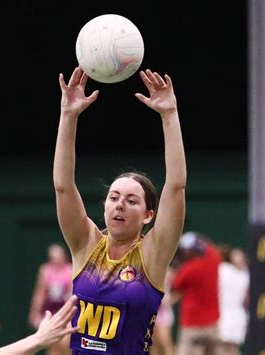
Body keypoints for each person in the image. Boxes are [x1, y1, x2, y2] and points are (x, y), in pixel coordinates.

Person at [53, 66, 186, 354]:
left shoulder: (152, 255)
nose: (120, 204)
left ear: (148, 215)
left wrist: (169, 115)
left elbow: (175, 189)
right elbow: (63, 187)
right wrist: (68, 115)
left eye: (131, 200)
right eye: (113, 197)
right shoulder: (85, 245)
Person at [170, 231, 221, 355]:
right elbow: (209, 247)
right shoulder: (213, 257)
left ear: (189, 251)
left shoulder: (189, 270)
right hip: (213, 325)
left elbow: (175, 285)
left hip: (193, 326)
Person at [28, 243, 73, 355]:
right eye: (53, 257)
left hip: (65, 312)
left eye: (58, 256)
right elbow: (40, 293)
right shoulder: (45, 270)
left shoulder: (70, 269)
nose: (56, 259)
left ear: (64, 256)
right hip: (49, 312)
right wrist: (34, 313)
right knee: (53, 346)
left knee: (66, 343)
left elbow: (72, 293)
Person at [217, 244, 250, 355]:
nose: (237, 258)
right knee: (222, 346)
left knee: (233, 347)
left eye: (239, 256)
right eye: (235, 256)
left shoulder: (246, 275)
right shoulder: (223, 269)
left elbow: (246, 299)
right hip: (223, 312)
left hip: (238, 314)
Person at [151, 264, 177, 355]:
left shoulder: (169, 272)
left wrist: (171, 300)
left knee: (165, 341)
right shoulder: (149, 269)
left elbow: (179, 289)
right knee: (153, 344)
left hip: (164, 312)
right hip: (152, 310)